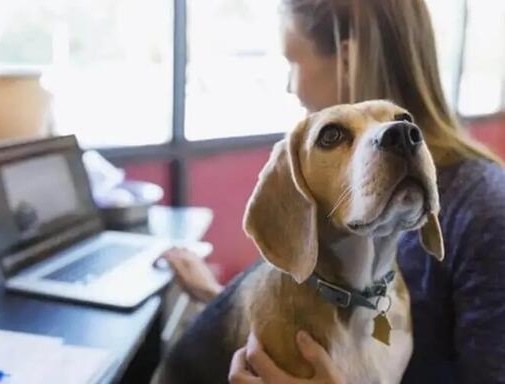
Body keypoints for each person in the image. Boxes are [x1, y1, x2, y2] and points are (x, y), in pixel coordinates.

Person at [160, 0, 505, 382]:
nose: (291, 85)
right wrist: (221, 301)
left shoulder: (486, 206)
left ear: (347, 58)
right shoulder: (353, 236)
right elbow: (311, 297)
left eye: (292, 61)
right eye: (336, 135)